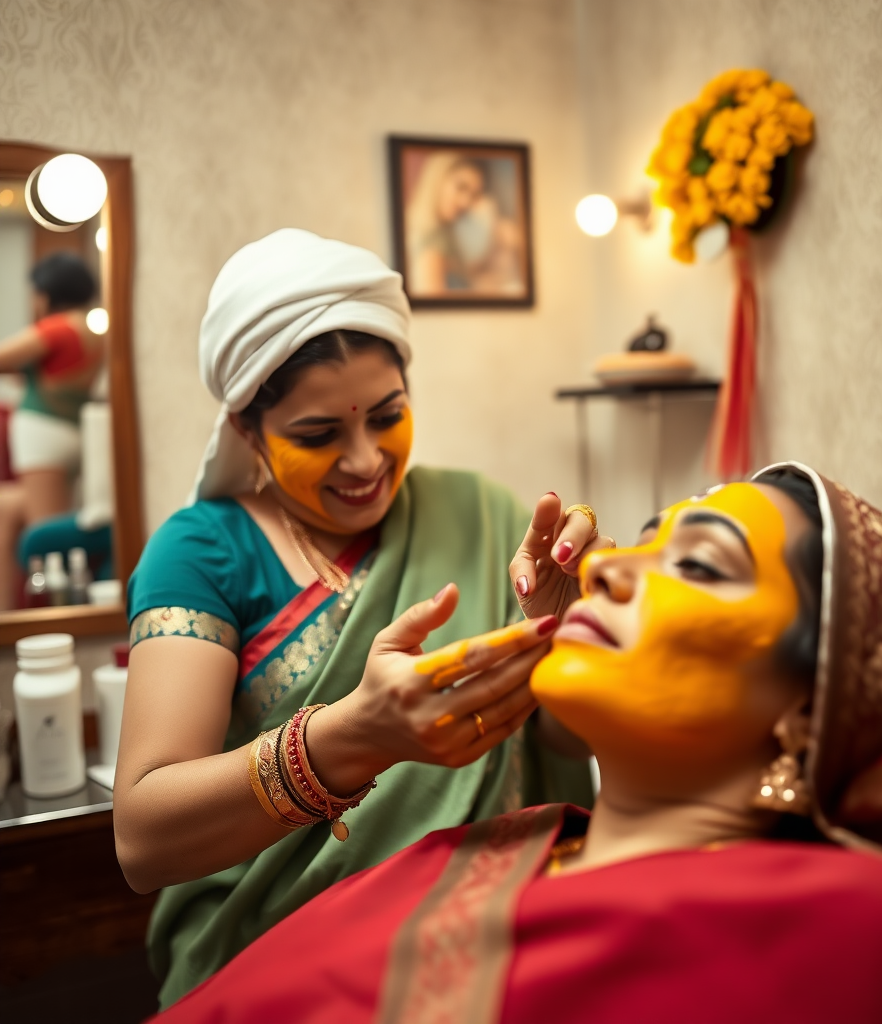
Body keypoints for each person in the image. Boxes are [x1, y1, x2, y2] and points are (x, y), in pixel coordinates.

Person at [153, 464, 882, 1024]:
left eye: (697, 565)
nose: (605, 567)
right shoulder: (491, 844)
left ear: (812, 709)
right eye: (644, 542)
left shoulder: (863, 933)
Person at [114, 228, 605, 1009]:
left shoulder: (478, 512)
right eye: (318, 434)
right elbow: (142, 838)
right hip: (283, 963)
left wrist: (574, 647)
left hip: (496, 936)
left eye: (388, 416)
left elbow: (563, 747)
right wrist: (351, 739)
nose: (365, 459)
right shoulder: (201, 552)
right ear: (248, 430)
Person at [0, 251, 105, 608]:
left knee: (45, 541)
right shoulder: (94, 331)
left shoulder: (57, 327)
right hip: (73, 432)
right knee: (12, 510)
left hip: (42, 437)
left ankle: (44, 618)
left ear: (45, 293)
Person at [405, 152, 524, 296]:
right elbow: (435, 310)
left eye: (474, 195)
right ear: (438, 178)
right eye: (461, 187)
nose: (466, 202)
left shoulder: (447, 236)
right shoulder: (431, 243)